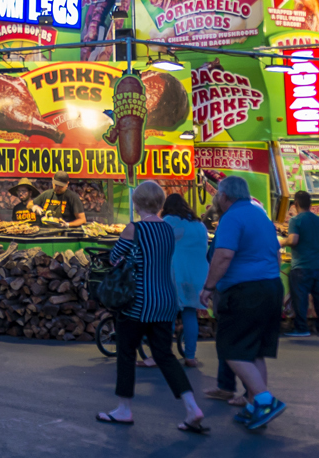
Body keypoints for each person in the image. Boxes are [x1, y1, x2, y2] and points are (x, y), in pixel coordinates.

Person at [98, 180, 209, 433]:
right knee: (165, 355)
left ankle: (124, 409)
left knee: (126, 352)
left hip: (138, 302)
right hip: (166, 300)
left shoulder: (133, 229)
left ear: (136, 204)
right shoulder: (169, 230)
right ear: (160, 204)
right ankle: (192, 407)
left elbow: (115, 258)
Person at [202, 176, 286, 429]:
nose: (215, 199)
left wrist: (208, 287)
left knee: (231, 349)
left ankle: (265, 399)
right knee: (255, 351)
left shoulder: (231, 218)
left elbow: (224, 255)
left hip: (244, 291)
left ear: (225, 197)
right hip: (271, 287)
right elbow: (276, 254)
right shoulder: (260, 216)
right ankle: (253, 405)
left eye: (217, 195)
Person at [160, 192, 209, 367]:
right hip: (197, 276)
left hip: (175, 274)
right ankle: (190, 356)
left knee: (169, 314)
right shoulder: (199, 225)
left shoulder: (168, 222)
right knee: (190, 314)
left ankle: (164, 355)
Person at [282, 191, 319, 338]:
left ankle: (301, 328)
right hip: (318, 265)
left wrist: (280, 241)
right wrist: (316, 245)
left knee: (300, 299)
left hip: (301, 266)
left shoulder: (295, 220)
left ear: (296, 204)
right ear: (310, 204)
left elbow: (293, 240)